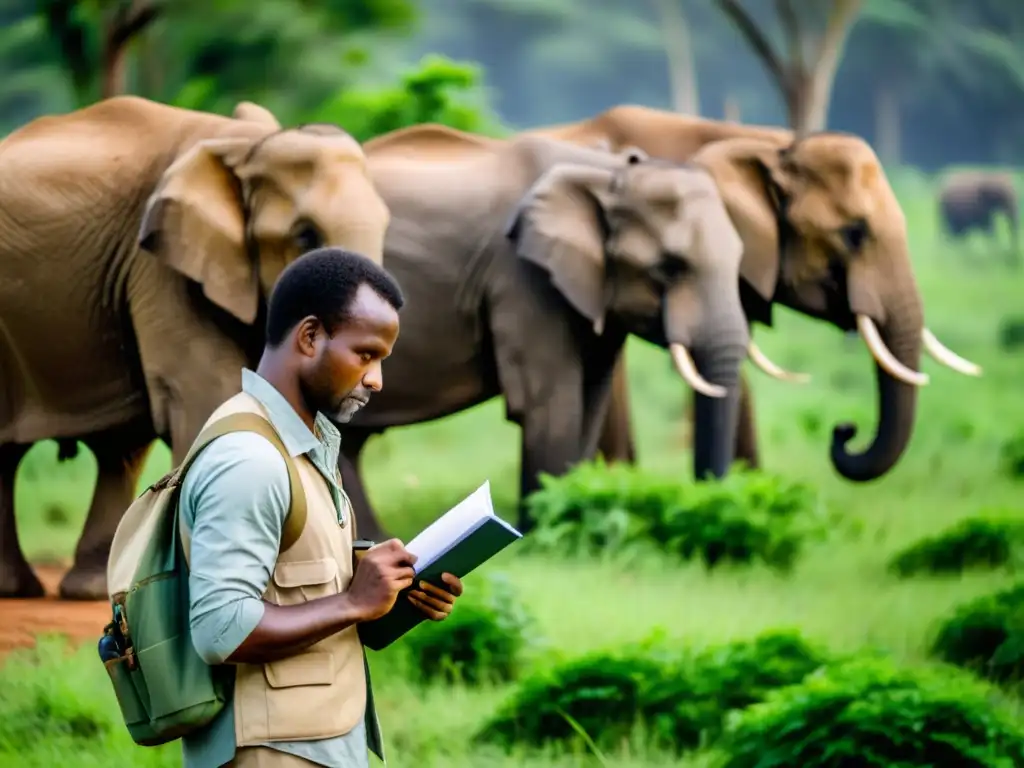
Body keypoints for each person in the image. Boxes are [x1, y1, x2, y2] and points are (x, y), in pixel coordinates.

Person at [177, 247, 464, 768]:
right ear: (310, 337)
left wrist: (390, 602)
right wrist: (352, 602)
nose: (376, 380)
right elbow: (220, 629)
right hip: (271, 751)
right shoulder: (250, 460)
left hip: (320, 740)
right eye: (365, 354)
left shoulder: (306, 447)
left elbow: (297, 592)